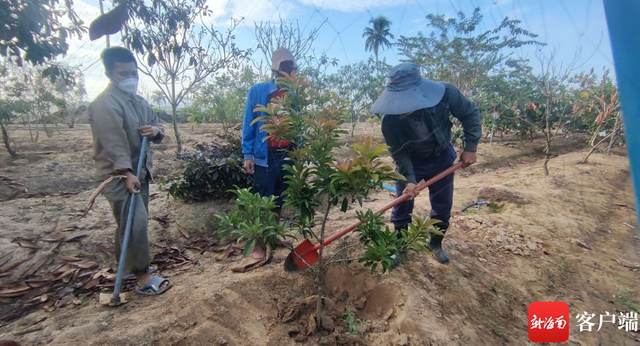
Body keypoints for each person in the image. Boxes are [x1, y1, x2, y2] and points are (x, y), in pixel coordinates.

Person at [370, 62, 482, 265]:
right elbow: (399, 153)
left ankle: (435, 243)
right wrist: (410, 180)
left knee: (442, 205)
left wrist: (471, 146)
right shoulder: (390, 122)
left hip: (442, 158)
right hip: (411, 160)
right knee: (403, 205)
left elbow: (470, 113)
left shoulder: (446, 93)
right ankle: (401, 246)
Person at [89, 47, 172, 295]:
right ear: (110, 74)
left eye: (133, 72)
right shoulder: (105, 104)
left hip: (140, 172)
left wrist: (156, 132)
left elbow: (155, 123)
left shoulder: (138, 102)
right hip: (120, 175)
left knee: (130, 223)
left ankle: (127, 268)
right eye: (123, 73)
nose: (130, 78)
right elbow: (113, 142)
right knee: (135, 223)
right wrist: (125, 173)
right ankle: (144, 279)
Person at [241, 47, 298, 262]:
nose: (286, 73)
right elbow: (249, 122)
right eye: (282, 69)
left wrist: (299, 154)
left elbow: (296, 127)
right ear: (275, 71)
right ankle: (257, 243)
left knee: (279, 198)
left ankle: (273, 236)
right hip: (265, 155)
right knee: (263, 198)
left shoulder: (293, 96)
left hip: (285, 154)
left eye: (289, 69)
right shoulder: (259, 91)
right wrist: (248, 154)